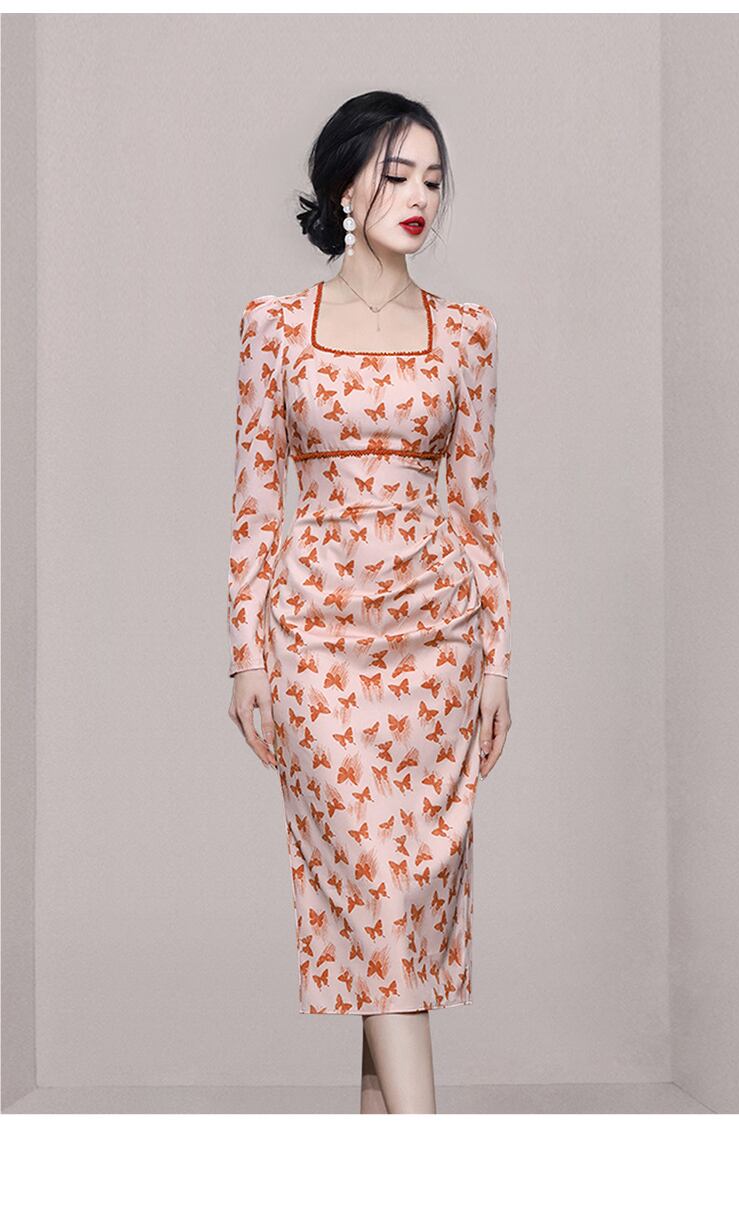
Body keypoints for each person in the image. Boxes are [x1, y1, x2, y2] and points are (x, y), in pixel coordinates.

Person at [227, 90, 512, 1114]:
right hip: (315, 645)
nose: (419, 195)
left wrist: (497, 660)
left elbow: (478, 513)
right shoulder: (275, 326)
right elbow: (254, 501)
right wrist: (247, 655)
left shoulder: (466, 332)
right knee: (376, 896)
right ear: (346, 183)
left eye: (433, 177)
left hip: (439, 650)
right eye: (397, 174)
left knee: (391, 921)